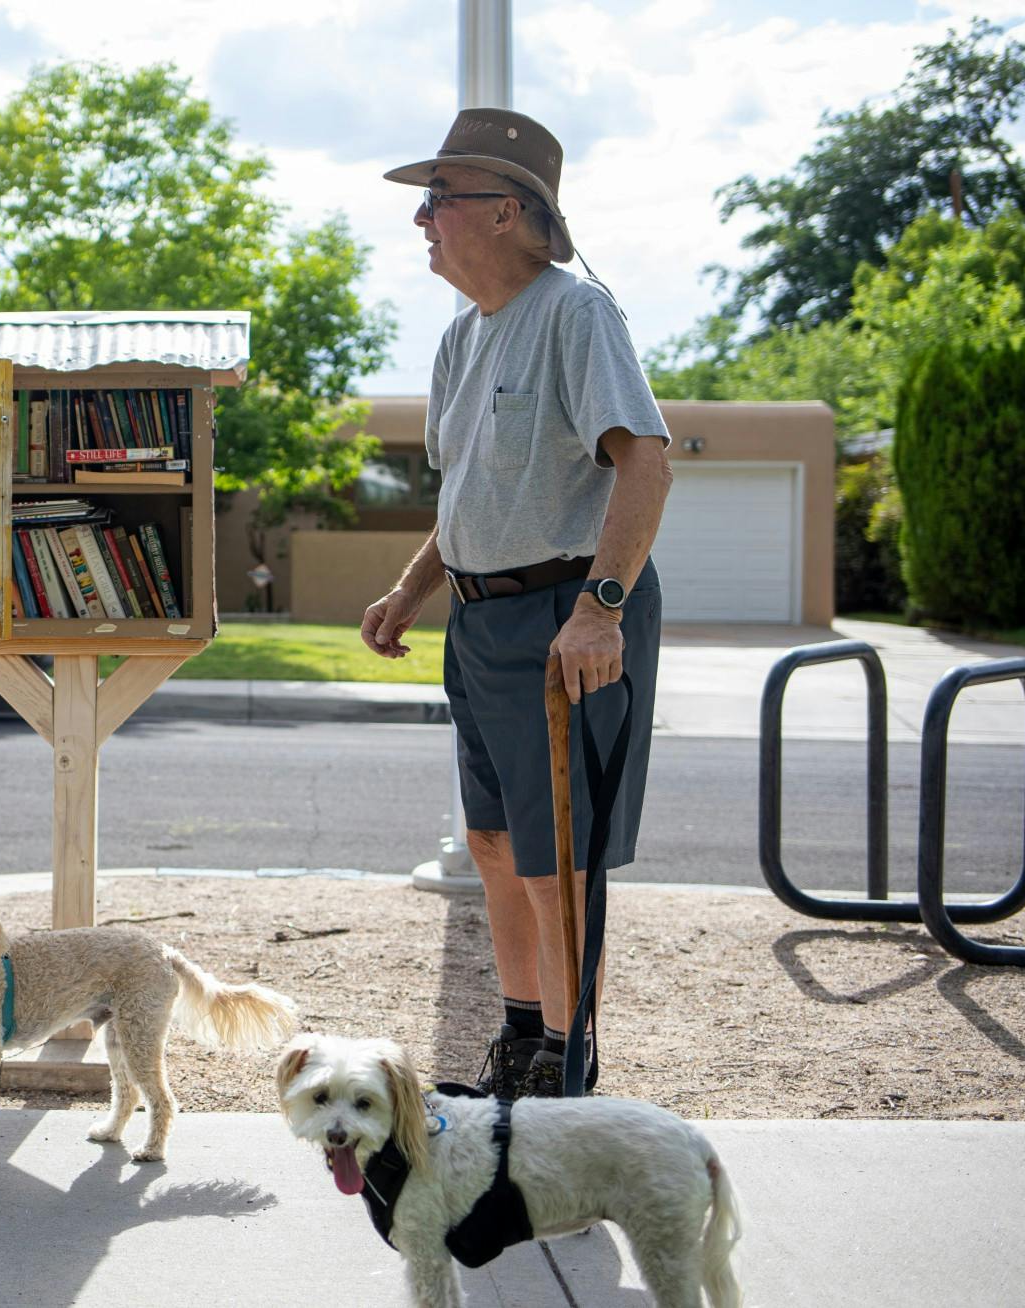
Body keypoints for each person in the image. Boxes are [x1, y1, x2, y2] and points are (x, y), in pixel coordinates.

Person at [360, 109, 671, 1099]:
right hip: (479, 619)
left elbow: (646, 464)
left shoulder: (574, 313)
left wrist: (601, 607)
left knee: (554, 860)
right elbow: (463, 501)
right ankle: (521, 1043)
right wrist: (410, 589)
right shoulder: (459, 339)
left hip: (560, 617)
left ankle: (568, 1069)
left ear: (506, 211)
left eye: (436, 199)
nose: (419, 220)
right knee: (492, 845)